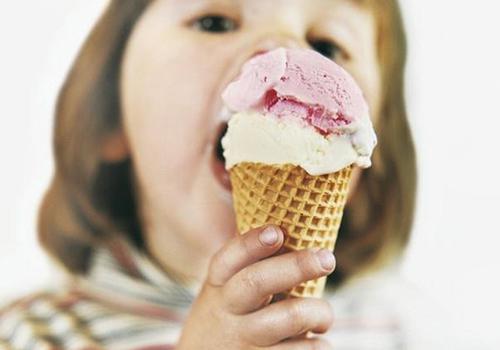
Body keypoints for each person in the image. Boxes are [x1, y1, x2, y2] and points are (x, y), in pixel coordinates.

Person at [0, 0, 417, 349]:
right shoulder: (36, 334)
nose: (281, 51)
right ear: (109, 116)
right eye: (215, 23)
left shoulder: (385, 330)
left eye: (326, 45)